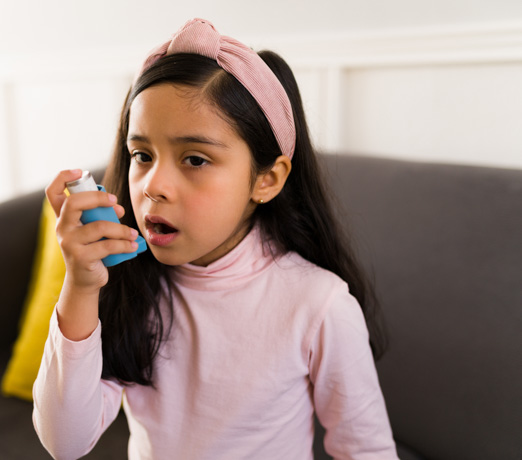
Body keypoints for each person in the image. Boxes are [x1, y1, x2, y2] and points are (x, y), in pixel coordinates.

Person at [34, 18, 398, 460]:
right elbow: (64, 442)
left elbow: (366, 451)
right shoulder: (129, 286)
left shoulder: (319, 305)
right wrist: (80, 285)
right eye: (142, 155)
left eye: (194, 159)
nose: (154, 185)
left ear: (266, 179)